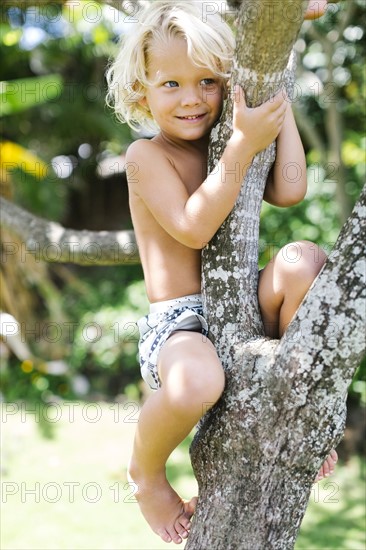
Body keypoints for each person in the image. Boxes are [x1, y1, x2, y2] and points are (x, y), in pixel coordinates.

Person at [106, 1, 337, 544]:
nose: (191, 98)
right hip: (181, 325)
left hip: (243, 301)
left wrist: (273, 100)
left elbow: (291, 187)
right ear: (142, 92)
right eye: (171, 84)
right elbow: (192, 227)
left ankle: (299, 415)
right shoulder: (145, 155)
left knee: (305, 260)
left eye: (208, 81)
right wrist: (243, 143)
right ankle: (145, 472)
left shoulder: (226, 140)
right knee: (198, 382)